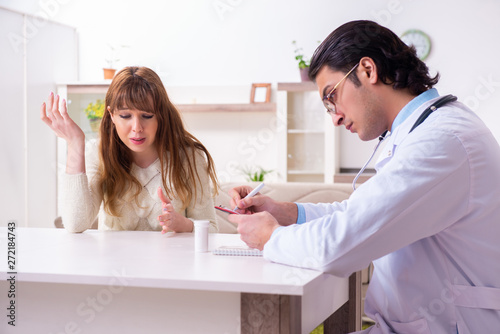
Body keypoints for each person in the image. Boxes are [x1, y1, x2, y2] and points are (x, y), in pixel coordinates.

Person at [228, 20, 500, 333]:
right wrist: (287, 213)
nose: (335, 118)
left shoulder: (442, 142)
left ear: (368, 70)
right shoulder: (423, 133)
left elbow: (338, 245)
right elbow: (355, 214)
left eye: (332, 97)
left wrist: (271, 237)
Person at [41, 66, 219, 233]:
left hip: (170, 265)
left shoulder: (190, 157)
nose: (137, 127)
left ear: (161, 115)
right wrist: (74, 143)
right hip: (113, 264)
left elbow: (211, 230)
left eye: (147, 116)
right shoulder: (98, 152)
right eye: (125, 116)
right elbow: (75, 224)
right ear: (111, 115)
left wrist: (186, 225)